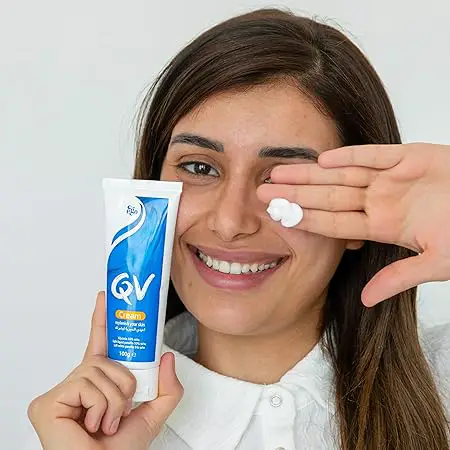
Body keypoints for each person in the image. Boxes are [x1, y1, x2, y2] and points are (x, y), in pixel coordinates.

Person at [26, 8, 450, 450]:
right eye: (199, 167)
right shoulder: (82, 436)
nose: (230, 223)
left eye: (283, 177)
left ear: (361, 210)